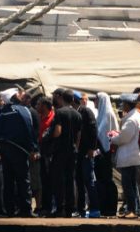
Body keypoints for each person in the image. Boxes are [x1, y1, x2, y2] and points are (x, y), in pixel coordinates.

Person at [0, 88, 38, 218]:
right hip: (20, 150)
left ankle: (9, 210)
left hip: (4, 150)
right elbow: (29, 129)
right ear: (15, 97)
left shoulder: (0, 113)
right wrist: (34, 149)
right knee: (23, 180)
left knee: (8, 181)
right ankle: (25, 209)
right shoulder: (23, 110)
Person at [109, 94, 140, 219]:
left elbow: (124, 138)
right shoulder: (136, 116)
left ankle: (132, 209)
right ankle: (134, 209)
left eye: (123, 104)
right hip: (133, 156)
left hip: (129, 156)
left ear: (128, 105)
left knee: (127, 185)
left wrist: (113, 138)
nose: (122, 106)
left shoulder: (130, 119)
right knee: (132, 184)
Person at [49, 89, 81, 218]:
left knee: (58, 180)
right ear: (72, 99)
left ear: (62, 98)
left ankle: (59, 208)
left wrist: (51, 139)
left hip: (60, 151)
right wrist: (76, 148)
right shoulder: (77, 114)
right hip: (72, 151)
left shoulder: (60, 113)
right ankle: (70, 209)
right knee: (69, 179)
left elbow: (57, 131)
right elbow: (79, 135)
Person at [74, 91, 100, 218]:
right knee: (79, 180)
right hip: (78, 153)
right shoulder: (77, 112)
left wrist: (92, 148)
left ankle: (95, 208)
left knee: (89, 180)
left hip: (86, 152)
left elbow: (94, 130)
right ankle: (81, 209)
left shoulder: (86, 111)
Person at [94, 92, 119, 216]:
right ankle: (103, 207)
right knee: (101, 180)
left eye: (96, 100)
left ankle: (110, 207)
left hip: (107, 152)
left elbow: (109, 134)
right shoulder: (101, 115)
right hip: (100, 152)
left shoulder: (108, 114)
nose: (94, 102)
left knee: (107, 180)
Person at [36, 96, 55, 216]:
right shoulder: (38, 117)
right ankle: (44, 206)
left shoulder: (53, 118)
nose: (37, 106)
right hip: (40, 154)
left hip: (49, 154)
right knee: (42, 181)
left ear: (44, 106)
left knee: (50, 181)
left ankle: (50, 206)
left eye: (39, 104)